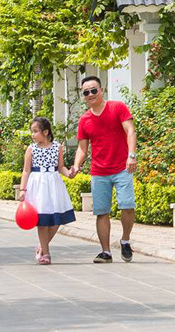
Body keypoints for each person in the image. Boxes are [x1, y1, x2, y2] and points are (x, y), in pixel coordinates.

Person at [68, 75, 136, 263]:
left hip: (122, 167)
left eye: (93, 90)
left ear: (101, 90)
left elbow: (130, 131)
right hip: (99, 172)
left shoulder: (117, 107)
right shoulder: (84, 119)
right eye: (86, 92)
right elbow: (82, 148)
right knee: (101, 212)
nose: (90, 94)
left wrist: (131, 155)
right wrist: (76, 166)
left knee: (127, 205)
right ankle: (106, 252)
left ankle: (125, 240)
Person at [17, 116, 75, 265]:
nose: (33, 134)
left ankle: (42, 246)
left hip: (54, 184)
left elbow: (60, 166)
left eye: (35, 131)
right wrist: (23, 189)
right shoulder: (31, 149)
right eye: (32, 131)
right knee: (42, 220)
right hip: (38, 185)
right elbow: (26, 170)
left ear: (46, 132)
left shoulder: (57, 147)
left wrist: (69, 173)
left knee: (57, 219)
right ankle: (46, 253)